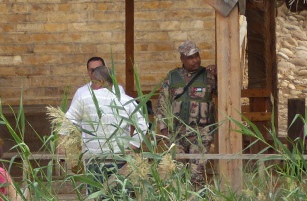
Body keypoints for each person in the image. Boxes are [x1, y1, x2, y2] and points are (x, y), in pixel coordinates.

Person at [65, 66, 147, 183]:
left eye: (92, 82)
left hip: (93, 158)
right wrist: (132, 145)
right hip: (120, 158)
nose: (91, 86)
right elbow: (143, 125)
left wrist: (69, 145)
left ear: (100, 82)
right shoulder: (126, 101)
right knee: (120, 196)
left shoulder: (85, 98)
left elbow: (68, 122)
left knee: (95, 196)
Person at [158, 41, 217, 187]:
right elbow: (162, 105)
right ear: (182, 59)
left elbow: (226, 93)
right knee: (177, 174)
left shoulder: (208, 76)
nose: (196, 60)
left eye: (197, 56)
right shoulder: (172, 77)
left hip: (200, 133)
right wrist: (165, 132)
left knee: (196, 174)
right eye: (191, 57)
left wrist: (219, 73)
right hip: (177, 133)